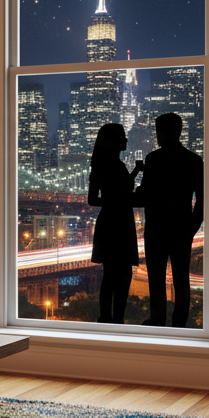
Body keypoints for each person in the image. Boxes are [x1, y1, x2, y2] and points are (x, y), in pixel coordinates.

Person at [134, 113, 204, 327]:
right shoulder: (194, 160)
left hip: (156, 227)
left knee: (156, 279)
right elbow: (202, 199)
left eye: (158, 131)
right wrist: (192, 227)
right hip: (182, 227)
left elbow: (144, 196)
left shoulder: (154, 159)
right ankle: (180, 323)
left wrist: (132, 189)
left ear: (162, 132)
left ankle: (157, 319)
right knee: (182, 280)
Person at [87, 123, 142, 324]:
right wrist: (119, 200)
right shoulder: (112, 166)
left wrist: (136, 170)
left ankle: (106, 318)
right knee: (123, 274)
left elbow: (97, 198)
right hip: (118, 221)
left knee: (109, 275)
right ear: (114, 141)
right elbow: (118, 194)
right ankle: (117, 319)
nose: (127, 140)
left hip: (110, 220)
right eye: (123, 137)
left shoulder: (103, 165)